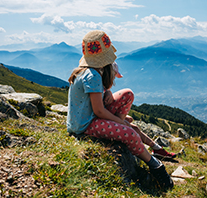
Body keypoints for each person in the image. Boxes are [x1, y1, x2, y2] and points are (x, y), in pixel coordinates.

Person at [67, 30, 174, 190]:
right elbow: (99, 112)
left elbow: (96, 97)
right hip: (84, 125)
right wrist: (122, 123)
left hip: (88, 117)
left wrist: (108, 92)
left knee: (127, 94)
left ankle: (119, 132)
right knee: (129, 132)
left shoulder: (89, 72)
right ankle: (154, 164)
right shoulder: (93, 75)